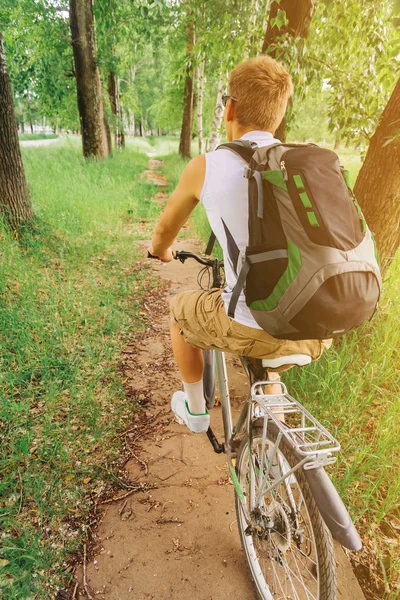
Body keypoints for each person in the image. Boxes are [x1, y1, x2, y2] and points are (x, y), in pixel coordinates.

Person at [149, 56, 329, 434]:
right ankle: (276, 448)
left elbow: (165, 229)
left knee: (180, 314)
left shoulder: (207, 166)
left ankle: (195, 410)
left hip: (253, 324)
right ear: (278, 116)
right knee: (272, 358)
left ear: (230, 108)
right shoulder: (304, 164)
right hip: (320, 324)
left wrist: (161, 251)